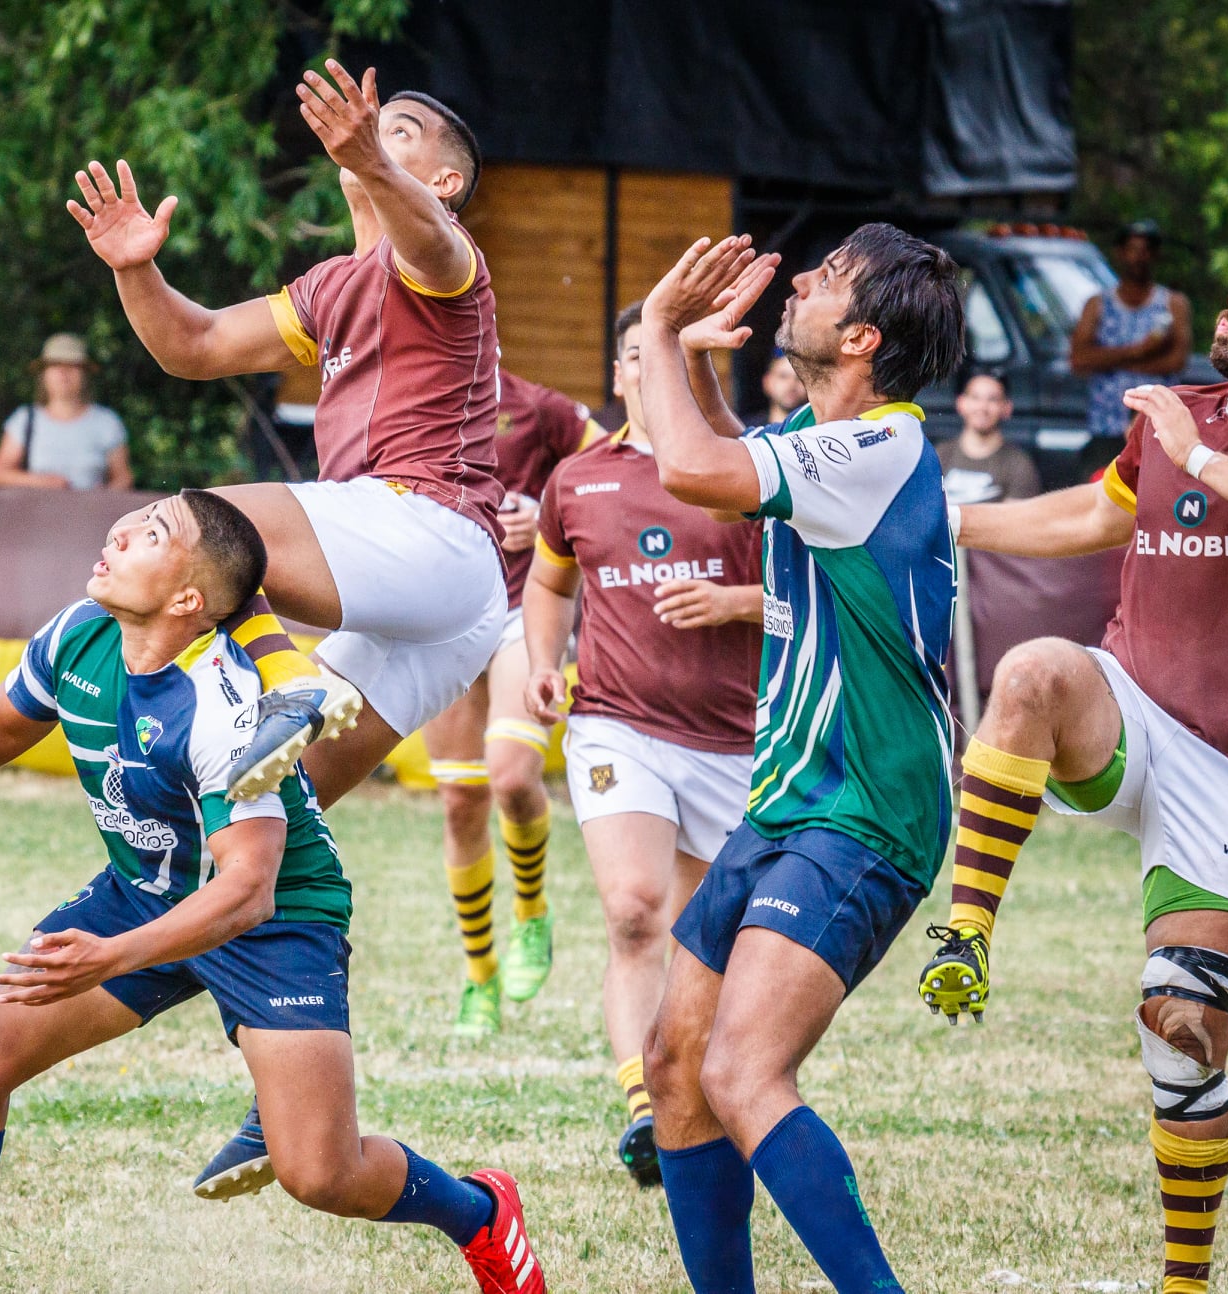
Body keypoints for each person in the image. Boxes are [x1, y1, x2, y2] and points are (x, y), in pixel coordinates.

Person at [0, 490, 544, 1294]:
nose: (118, 533)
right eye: (132, 523)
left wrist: (107, 957)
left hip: (273, 918)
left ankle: (480, 1214)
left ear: (189, 599)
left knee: (321, 1173)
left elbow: (249, 889)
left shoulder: (224, 707)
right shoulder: (79, 632)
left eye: (151, 533)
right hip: (146, 893)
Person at [917, 235, 1228, 1294]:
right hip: (1131, 706)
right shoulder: (1175, 410)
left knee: (1182, 1040)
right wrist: (946, 521)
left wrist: (1195, 455)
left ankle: (1182, 1284)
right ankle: (963, 932)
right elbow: (1093, 513)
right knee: (1033, 670)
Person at [633, 227, 964, 1292]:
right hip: (789, 799)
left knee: (739, 1068)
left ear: (859, 338)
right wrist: (688, 357)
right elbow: (738, 471)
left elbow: (691, 467)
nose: (799, 281)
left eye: (822, 279)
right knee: (674, 1069)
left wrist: (652, 327)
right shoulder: (831, 441)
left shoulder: (877, 447)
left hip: (866, 807)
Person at [70, 60, 504, 818]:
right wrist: (136, 270)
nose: (372, 131)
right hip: (451, 606)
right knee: (273, 810)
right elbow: (194, 347)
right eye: (374, 125)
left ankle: (286, 677)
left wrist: (366, 156)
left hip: (433, 534)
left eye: (397, 130)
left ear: (442, 184)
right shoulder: (330, 283)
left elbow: (429, 245)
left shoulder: (447, 254)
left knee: (193, 523)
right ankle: (267, 931)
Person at [523, 302, 763, 1188]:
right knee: (632, 909)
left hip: (736, 742)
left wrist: (734, 605)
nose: (646, 369)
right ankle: (642, 1110)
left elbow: (817, 599)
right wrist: (544, 663)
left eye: (664, 353)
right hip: (616, 723)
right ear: (622, 373)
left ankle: (700, 1098)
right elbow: (549, 584)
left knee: (713, 941)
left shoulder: (744, 473)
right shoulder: (579, 479)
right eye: (635, 355)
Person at [423, 368, 602, 1036]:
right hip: (434, 618)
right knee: (460, 799)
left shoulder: (536, 403)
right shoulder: (398, 394)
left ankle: (531, 914)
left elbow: (620, 455)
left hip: (517, 610)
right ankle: (480, 980)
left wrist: (549, 507)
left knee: (512, 775)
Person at [1072, 219, 1193, 441]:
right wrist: (1139, 351)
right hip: (1106, 425)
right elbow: (1078, 359)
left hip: (1157, 428)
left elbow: (1176, 361)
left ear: (1155, 255)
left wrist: (1111, 361)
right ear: (1120, 253)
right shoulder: (1098, 304)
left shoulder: (1173, 303)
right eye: (1132, 250)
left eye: (1146, 250)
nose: (1138, 257)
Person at [0, 333, 134, 490]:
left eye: (72, 366)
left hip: (92, 513)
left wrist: (101, 497)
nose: (63, 373)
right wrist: (42, 482)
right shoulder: (25, 420)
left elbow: (124, 479)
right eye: (55, 365)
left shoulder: (106, 422)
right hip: (37, 512)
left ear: (85, 374)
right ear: (44, 374)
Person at [937, 370, 1042, 503]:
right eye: (975, 397)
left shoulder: (1019, 465)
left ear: (1007, 408)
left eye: (992, 399)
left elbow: (1015, 521)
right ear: (961, 403)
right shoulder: (940, 455)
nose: (982, 407)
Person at [760, 350, 806, 423]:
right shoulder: (747, 430)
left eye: (800, 378)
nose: (791, 385)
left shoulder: (819, 431)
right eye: (783, 376)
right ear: (767, 382)